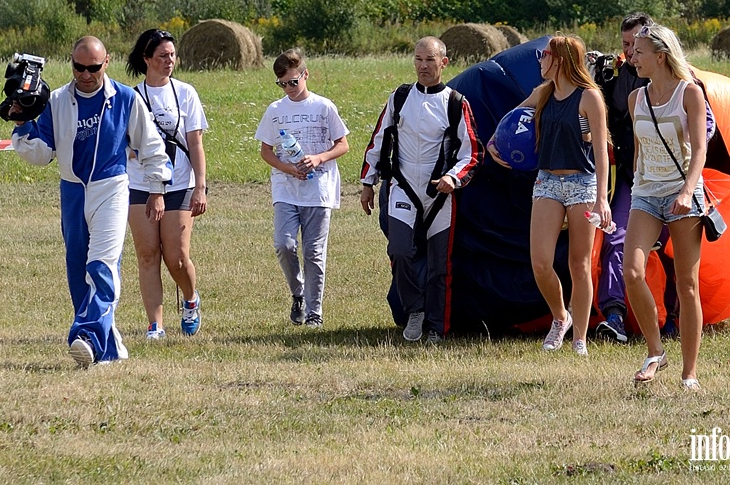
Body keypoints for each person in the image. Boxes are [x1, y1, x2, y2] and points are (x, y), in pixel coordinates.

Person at [10, 36, 171, 368]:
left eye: (93, 68)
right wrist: (22, 122)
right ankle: (108, 349)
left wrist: (157, 189)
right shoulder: (55, 101)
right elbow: (42, 154)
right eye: (79, 67)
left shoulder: (126, 99)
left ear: (106, 62)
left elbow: (152, 146)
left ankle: (85, 336)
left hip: (111, 189)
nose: (85, 74)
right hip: (71, 190)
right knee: (76, 271)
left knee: (102, 265)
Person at [487, 35, 611, 356]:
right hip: (547, 183)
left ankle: (579, 339)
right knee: (540, 262)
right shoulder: (542, 93)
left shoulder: (589, 97)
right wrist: (493, 142)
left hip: (582, 183)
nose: (539, 60)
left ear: (560, 59)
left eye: (543, 55)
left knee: (579, 265)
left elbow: (601, 151)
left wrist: (602, 198)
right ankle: (561, 317)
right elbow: (509, 123)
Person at [361, 37, 483, 344]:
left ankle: (435, 329)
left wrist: (453, 179)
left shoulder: (456, 103)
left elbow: (472, 153)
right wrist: (367, 183)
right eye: (418, 59)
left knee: (439, 267)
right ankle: (414, 309)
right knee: (400, 251)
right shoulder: (399, 98)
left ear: (443, 62)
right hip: (402, 189)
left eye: (430, 60)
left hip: (440, 197)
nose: (423, 66)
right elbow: (378, 141)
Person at [625, 24, 707, 390]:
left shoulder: (689, 93)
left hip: (682, 192)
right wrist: (632, 190)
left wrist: (689, 191)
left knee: (687, 285)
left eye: (639, 51)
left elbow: (700, 148)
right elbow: (640, 149)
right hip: (645, 192)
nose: (632, 56)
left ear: (660, 56)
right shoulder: (635, 98)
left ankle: (689, 373)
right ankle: (655, 351)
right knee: (633, 272)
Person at [255, 48, 349, 328]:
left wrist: (319, 158)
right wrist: (288, 169)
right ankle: (298, 294)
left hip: (318, 189)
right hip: (285, 189)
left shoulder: (324, 107)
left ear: (305, 75)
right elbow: (266, 151)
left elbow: (343, 144)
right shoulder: (275, 110)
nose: (288, 88)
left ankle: (314, 311)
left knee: (313, 252)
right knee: (284, 245)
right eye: (282, 84)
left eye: (293, 82)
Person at [125, 29, 208, 340]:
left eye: (172, 55)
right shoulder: (130, 96)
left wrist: (200, 186)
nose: (169, 60)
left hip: (180, 185)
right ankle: (155, 325)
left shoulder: (186, 93)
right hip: (139, 184)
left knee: (176, 256)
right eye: (162, 56)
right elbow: (120, 140)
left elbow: (196, 143)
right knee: (147, 254)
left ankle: (190, 299)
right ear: (146, 59)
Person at [593, 13, 653, 344]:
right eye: (625, 45)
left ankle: (674, 317)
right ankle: (614, 315)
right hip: (632, 178)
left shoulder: (676, 80)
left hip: (668, 179)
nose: (629, 53)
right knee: (616, 239)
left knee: (673, 254)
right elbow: (601, 122)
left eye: (635, 46)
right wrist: (600, 85)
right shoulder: (619, 78)